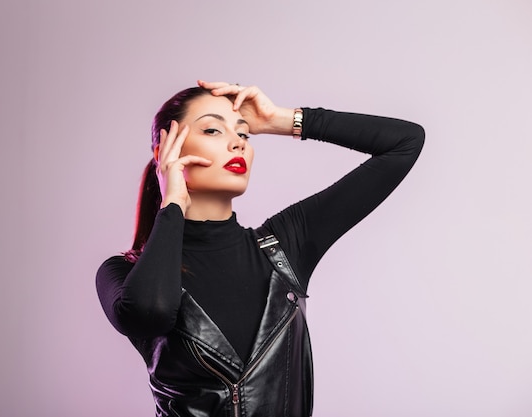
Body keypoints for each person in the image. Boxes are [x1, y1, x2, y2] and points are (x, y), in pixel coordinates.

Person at [96, 80, 425, 417]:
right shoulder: (123, 272)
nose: (238, 143)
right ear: (164, 151)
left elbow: (405, 143)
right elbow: (151, 311)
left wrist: (280, 120)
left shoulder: (284, 247)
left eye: (244, 134)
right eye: (213, 130)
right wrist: (173, 203)